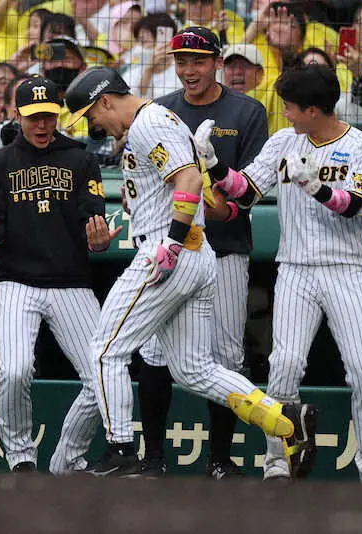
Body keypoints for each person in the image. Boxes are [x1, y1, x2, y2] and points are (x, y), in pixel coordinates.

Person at [60, 67, 316, 477]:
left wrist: (173, 240)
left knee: (105, 350)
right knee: (194, 369)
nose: (93, 126)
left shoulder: (148, 122)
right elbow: (171, 183)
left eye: (91, 115)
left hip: (170, 250)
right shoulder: (155, 120)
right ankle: (283, 419)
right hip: (194, 255)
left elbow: (191, 178)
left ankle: (121, 451)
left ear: (105, 100)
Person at [199, 65, 362, 484]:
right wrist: (215, 166)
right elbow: (246, 190)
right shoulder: (283, 140)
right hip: (295, 270)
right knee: (284, 366)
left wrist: (316, 188)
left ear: (313, 109)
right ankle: (278, 464)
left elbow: (358, 205)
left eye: (290, 107)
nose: (284, 113)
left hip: (346, 269)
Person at [137, 27, 269, 479]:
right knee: (154, 351)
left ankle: (220, 459)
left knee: (227, 354)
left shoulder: (247, 111)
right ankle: (153, 457)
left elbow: (246, 198)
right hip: (171, 245)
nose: (188, 70)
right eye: (181, 60)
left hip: (225, 248)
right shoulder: (160, 110)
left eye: (197, 60)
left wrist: (207, 200)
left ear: (217, 61)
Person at [0, 75, 114, 473]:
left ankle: (67, 458)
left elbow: (94, 230)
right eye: (34, 117)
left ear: (58, 114)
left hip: (71, 281)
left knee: (103, 376)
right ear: (17, 115)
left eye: (49, 116)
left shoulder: (81, 159)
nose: (42, 125)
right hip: (15, 280)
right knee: (15, 372)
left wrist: (99, 242)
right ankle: (20, 458)